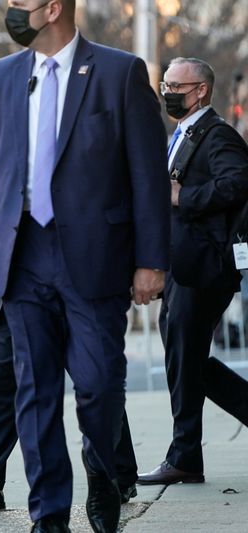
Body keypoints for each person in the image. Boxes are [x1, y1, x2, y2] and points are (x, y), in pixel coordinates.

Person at [0, 1, 170, 531]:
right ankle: (49, 514)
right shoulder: (0, 77)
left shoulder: (120, 72)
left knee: (100, 382)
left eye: (18, 4)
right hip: (21, 254)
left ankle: (102, 473)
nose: (11, 11)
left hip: (95, 256)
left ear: (52, 8)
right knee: (35, 392)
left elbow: (147, 175)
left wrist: (151, 260)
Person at [137, 58, 248, 486]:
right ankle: (186, 455)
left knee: (185, 360)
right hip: (182, 265)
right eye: (165, 84)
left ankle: (184, 456)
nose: (168, 92)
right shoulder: (181, 134)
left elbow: (238, 182)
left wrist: (186, 195)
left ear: (201, 90)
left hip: (204, 266)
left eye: (176, 86)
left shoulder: (217, 135)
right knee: (185, 361)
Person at [0, 306, 139, 513]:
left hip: (76, 289)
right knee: (2, 381)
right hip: (18, 290)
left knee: (93, 383)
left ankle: (118, 475)